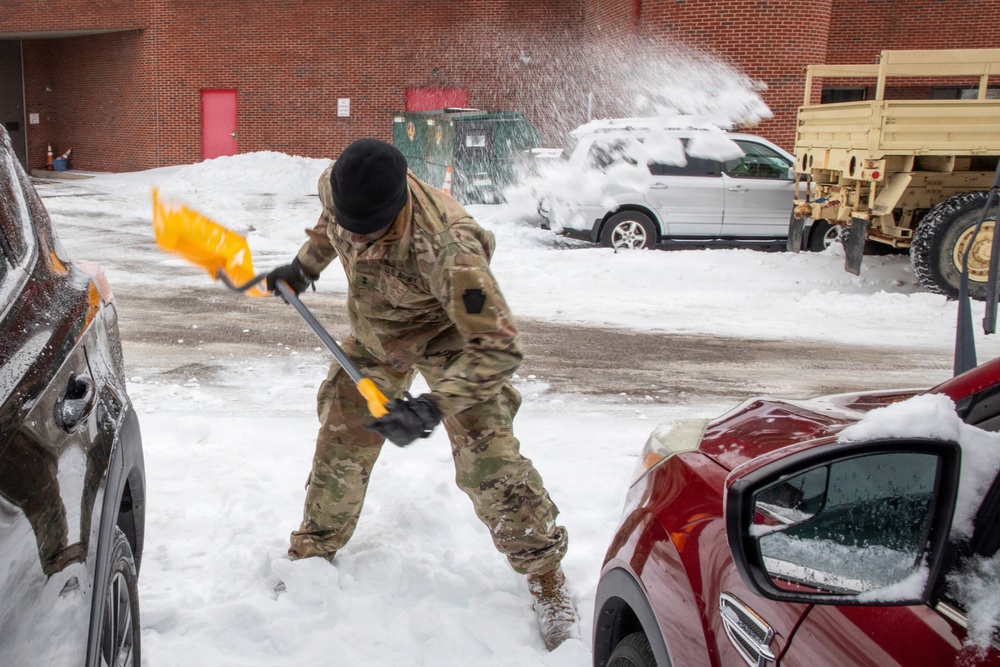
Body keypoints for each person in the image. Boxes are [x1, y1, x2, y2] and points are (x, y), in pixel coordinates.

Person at [265, 138, 576, 650]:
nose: (359, 242)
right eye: (352, 228)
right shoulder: (337, 187)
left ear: (397, 208)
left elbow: (498, 348)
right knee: (340, 447)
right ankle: (313, 553)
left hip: (452, 341)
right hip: (375, 337)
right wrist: (304, 267)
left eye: (371, 232)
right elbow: (328, 227)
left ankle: (545, 575)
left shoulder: (450, 248)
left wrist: (432, 406)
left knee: (489, 463)